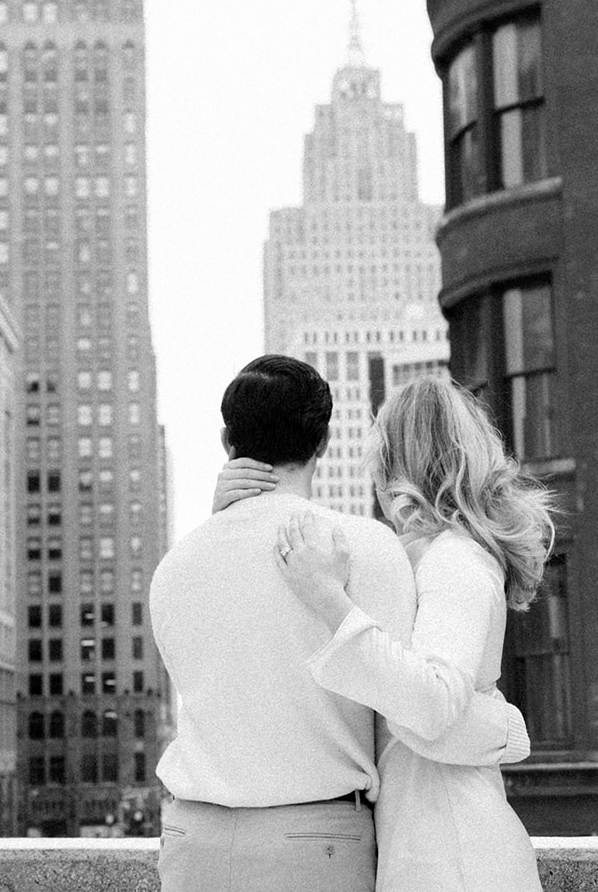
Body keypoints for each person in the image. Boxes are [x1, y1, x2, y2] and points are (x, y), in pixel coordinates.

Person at [149, 355, 529, 892]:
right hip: (315, 839)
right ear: (325, 441)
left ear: (226, 440)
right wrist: (507, 731)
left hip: (191, 839)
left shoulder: (174, 567)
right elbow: (404, 707)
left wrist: (224, 525)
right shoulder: (367, 548)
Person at [265, 375, 555, 892]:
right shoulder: (417, 559)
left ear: (400, 460)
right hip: (428, 847)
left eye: (377, 451)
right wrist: (503, 726)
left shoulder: (456, 560)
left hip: (456, 857)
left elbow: (431, 705)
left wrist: (330, 599)